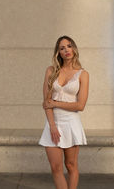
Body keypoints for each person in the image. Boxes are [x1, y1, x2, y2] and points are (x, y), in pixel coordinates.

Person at [38, 35, 89, 189]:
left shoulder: (83, 74)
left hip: (71, 123)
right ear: (58, 52)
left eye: (69, 46)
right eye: (62, 48)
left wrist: (55, 103)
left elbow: (80, 105)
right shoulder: (50, 71)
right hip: (53, 123)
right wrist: (52, 126)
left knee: (71, 165)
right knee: (56, 168)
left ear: (74, 48)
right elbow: (46, 103)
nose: (66, 50)